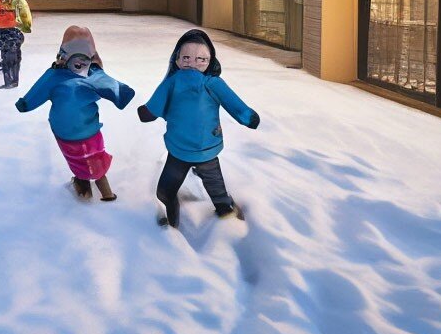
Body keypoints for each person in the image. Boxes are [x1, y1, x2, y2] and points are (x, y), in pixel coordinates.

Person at [137, 29, 260, 227]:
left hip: (206, 150)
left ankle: (225, 209)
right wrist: (147, 112)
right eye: (186, 58)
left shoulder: (213, 83)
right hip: (179, 150)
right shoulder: (172, 82)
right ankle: (171, 208)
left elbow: (233, 103)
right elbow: (154, 107)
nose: (193, 63)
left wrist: (248, 117)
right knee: (165, 191)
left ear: (210, 61)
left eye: (201, 59)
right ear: (177, 60)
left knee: (215, 187)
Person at [15, 29, 133, 201]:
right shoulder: (91, 74)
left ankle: (85, 187)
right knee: (92, 158)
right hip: (87, 129)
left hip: (67, 130)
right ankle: (99, 190)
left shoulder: (57, 75)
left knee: (79, 160)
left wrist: (25, 103)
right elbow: (114, 88)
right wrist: (122, 93)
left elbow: (36, 93)